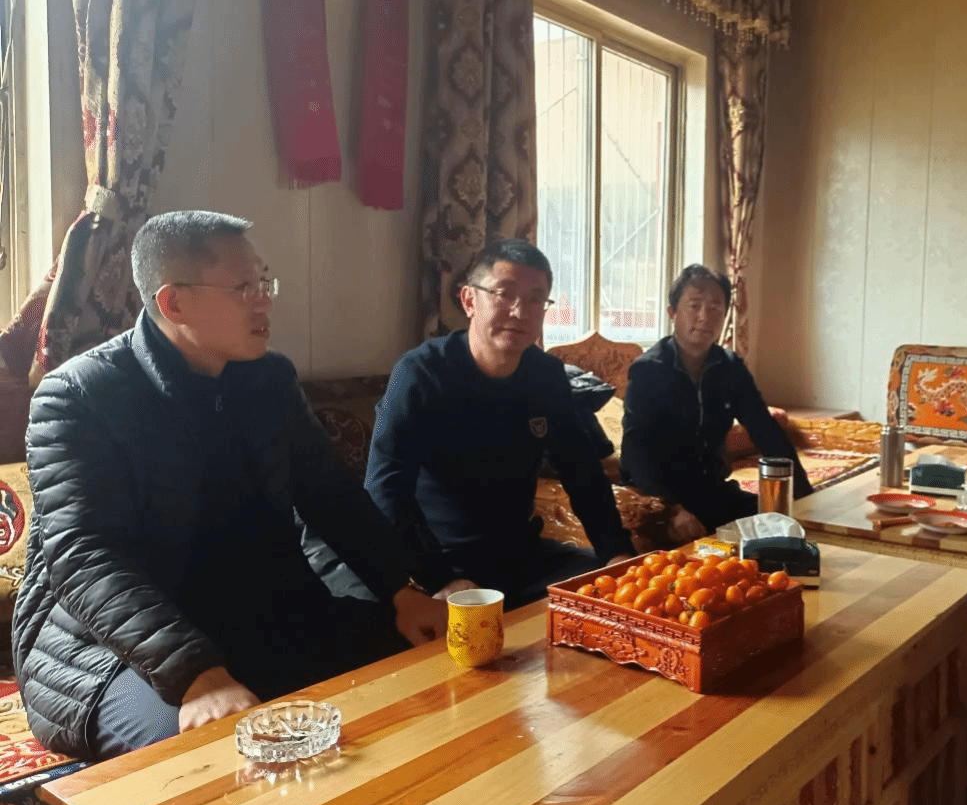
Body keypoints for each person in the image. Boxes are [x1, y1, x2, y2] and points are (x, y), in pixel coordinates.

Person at [12, 211, 448, 760]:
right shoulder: (79, 396)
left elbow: (332, 496)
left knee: (428, 672)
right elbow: (84, 559)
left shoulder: (268, 379)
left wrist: (401, 590)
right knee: (220, 755)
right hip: (106, 650)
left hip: (255, 615)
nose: (264, 301)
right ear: (173, 303)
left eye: (264, 283)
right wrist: (197, 675)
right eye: (244, 288)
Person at [365, 239, 633, 608]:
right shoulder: (420, 374)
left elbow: (582, 473)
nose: (520, 311)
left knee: (615, 595)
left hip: (523, 556)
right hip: (443, 563)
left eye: (535, 299)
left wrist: (616, 552)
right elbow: (385, 486)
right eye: (504, 294)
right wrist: (439, 576)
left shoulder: (546, 375)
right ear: (469, 300)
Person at [620, 264, 813, 544]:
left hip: (711, 490)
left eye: (714, 308)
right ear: (672, 313)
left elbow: (765, 430)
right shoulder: (649, 370)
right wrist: (671, 509)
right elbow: (635, 453)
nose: (704, 317)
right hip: (658, 497)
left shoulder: (729, 367)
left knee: (782, 523)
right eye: (694, 306)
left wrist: (804, 496)